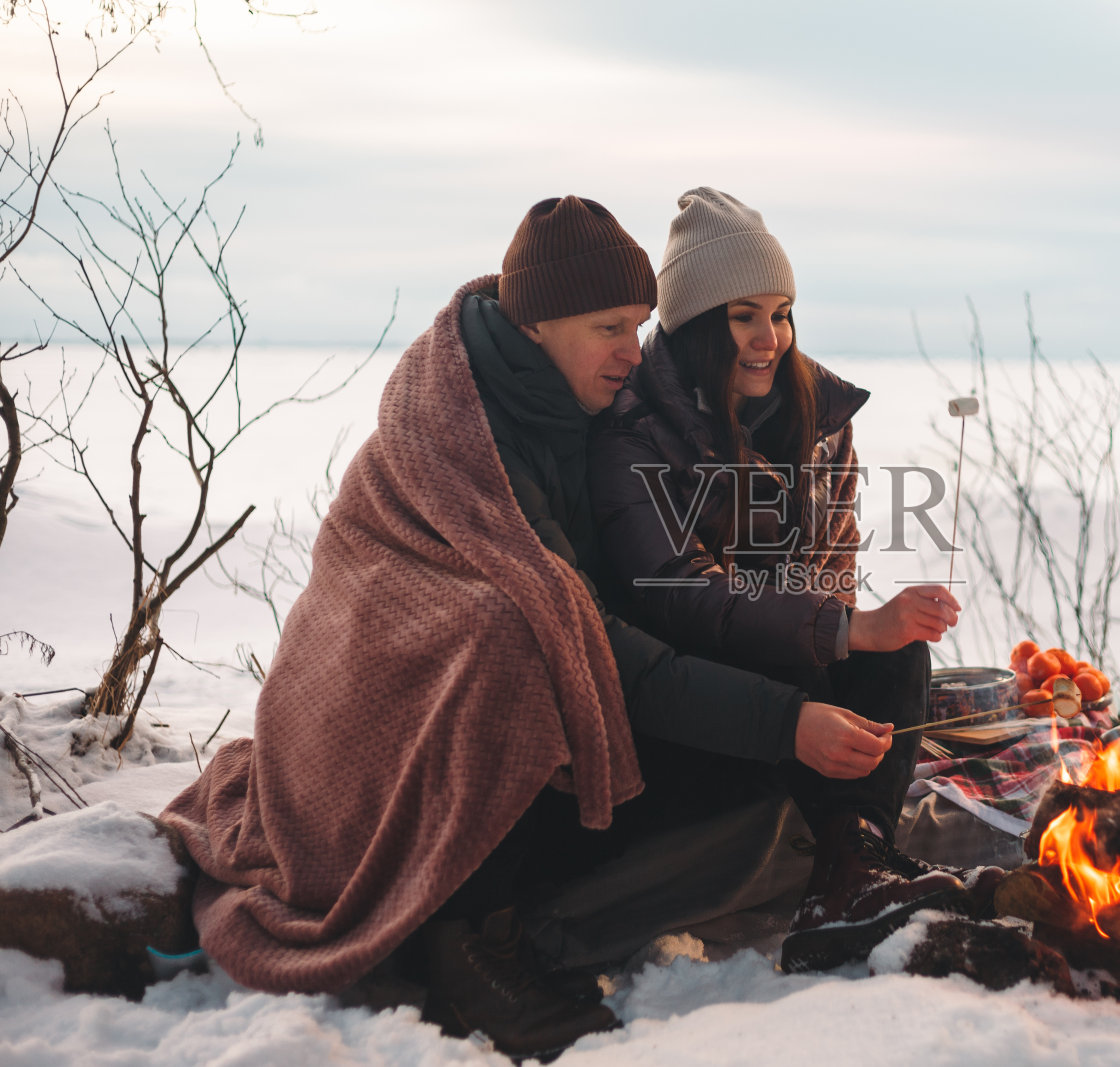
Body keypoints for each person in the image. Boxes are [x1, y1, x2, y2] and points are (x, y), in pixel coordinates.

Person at [161, 196, 960, 1060]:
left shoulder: (576, 408)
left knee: (849, 681)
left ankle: (852, 860)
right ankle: (479, 936)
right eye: (609, 327)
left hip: (602, 697)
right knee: (510, 638)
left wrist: (834, 635)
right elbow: (611, 630)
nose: (632, 351)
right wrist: (788, 706)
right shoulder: (468, 430)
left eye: (640, 324)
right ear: (537, 324)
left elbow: (655, 611)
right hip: (405, 728)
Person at [590, 187, 994, 975]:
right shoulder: (631, 430)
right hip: (689, 697)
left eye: (780, 313)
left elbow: (831, 567)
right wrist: (841, 629)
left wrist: (860, 625)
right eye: (744, 314)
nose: (768, 337)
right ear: (696, 322)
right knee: (857, 643)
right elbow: (681, 593)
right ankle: (843, 857)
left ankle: (853, 862)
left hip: (785, 659)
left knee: (898, 654)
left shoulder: (821, 416)